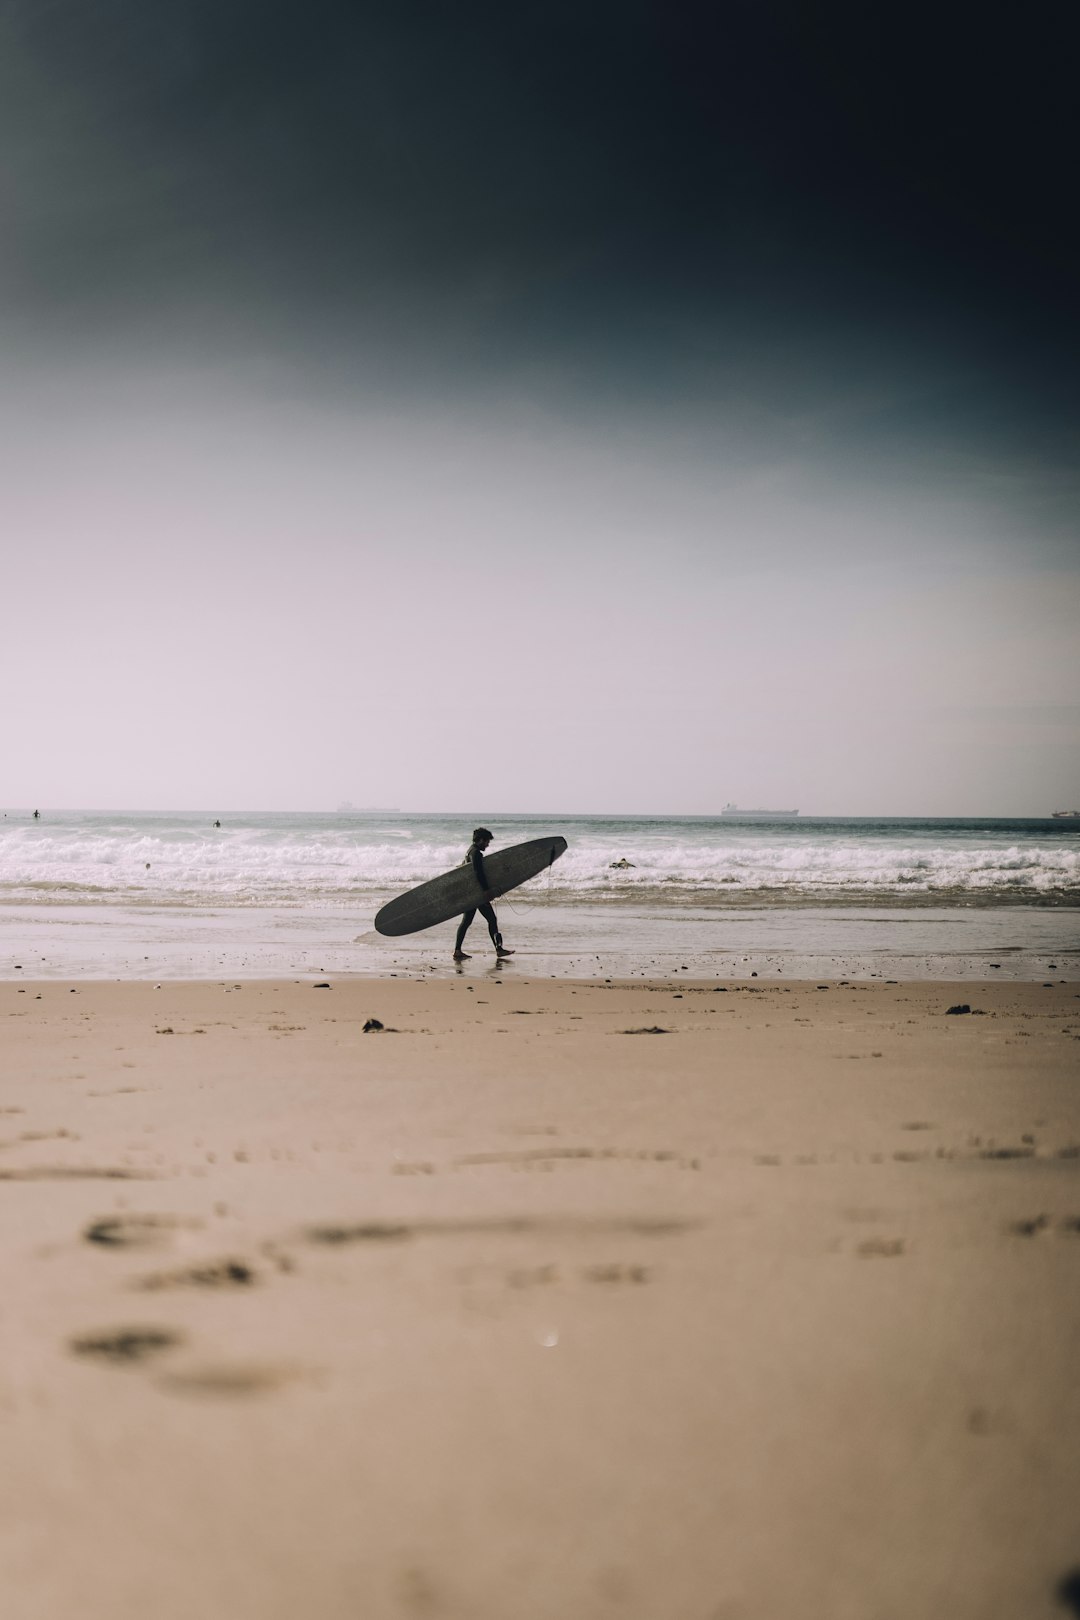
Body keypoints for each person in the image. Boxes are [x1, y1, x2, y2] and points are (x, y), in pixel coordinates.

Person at [454, 827, 513, 961]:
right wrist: (486, 891)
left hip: (471, 893)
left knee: (467, 921)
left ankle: (457, 950)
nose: (487, 844)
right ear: (480, 840)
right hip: (478, 895)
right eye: (486, 841)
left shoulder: (470, 850)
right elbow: (478, 873)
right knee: (491, 920)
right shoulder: (476, 853)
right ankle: (499, 950)